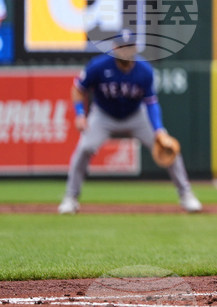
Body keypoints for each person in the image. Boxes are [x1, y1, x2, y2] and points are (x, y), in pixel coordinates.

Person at [58, 31, 201, 214]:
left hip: (135, 115)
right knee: (84, 148)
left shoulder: (144, 70)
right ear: (114, 48)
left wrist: (159, 129)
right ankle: (70, 198)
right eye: (121, 46)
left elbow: (151, 103)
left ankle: (186, 195)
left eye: (129, 46)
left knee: (167, 147)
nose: (125, 51)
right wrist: (79, 114)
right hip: (103, 115)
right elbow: (78, 89)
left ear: (135, 48)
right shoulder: (99, 65)